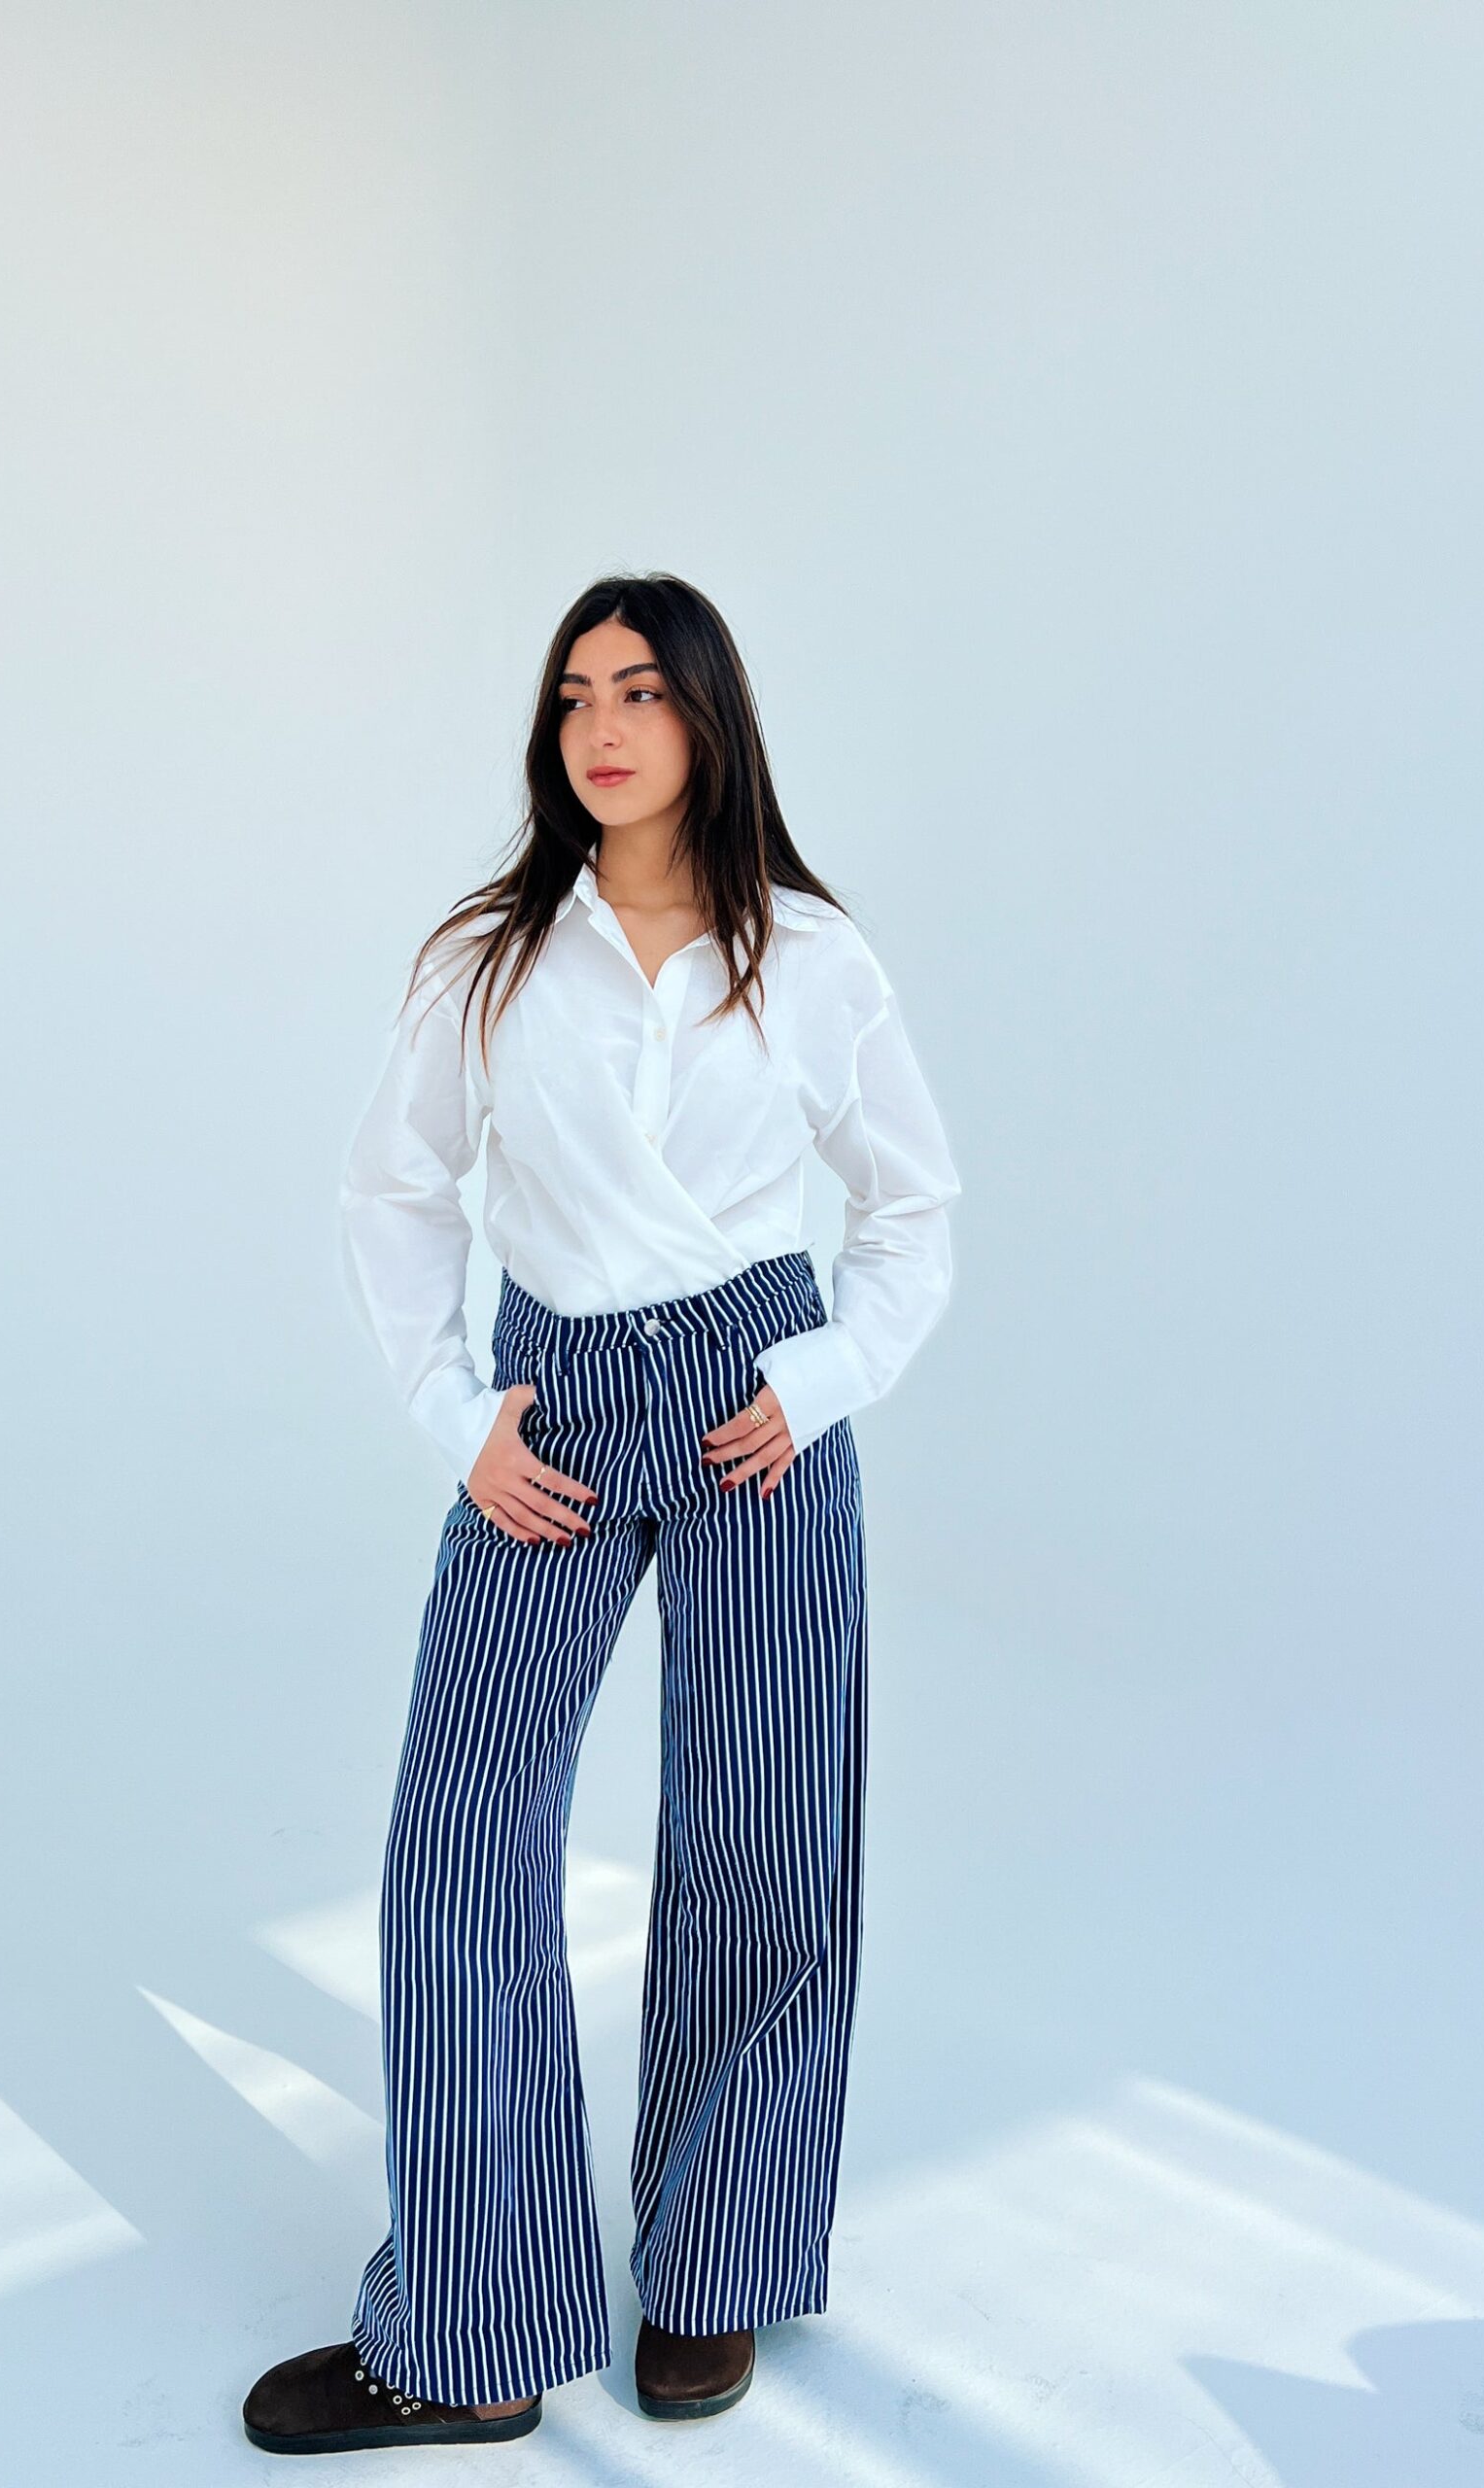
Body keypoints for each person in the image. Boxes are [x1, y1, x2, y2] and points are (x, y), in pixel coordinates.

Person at [242, 571, 962, 2457]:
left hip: (753, 1405)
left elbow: (914, 1209)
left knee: (766, 1832)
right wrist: (455, 1416)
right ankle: (476, 2328)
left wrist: (821, 1380)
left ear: (709, 715)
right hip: (549, 1408)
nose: (602, 726)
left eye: (639, 689)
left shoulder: (812, 957)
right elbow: (395, 1195)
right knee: (460, 1843)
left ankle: (717, 2259)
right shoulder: (490, 958)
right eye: (574, 695)